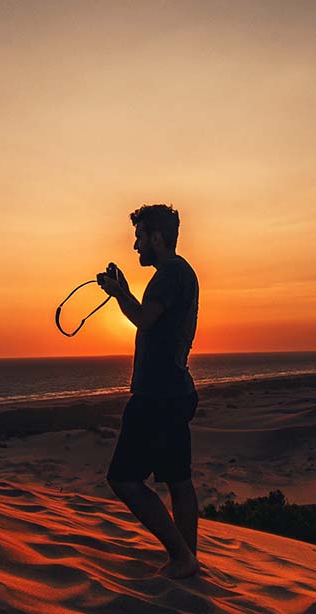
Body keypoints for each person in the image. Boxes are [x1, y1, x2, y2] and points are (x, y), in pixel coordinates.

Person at [97, 204, 201, 579]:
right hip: (176, 391)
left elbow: (143, 319)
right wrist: (123, 290)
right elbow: (154, 320)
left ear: (156, 237)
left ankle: (181, 557)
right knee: (178, 480)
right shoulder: (183, 272)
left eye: (140, 236)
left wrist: (118, 294)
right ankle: (188, 560)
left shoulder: (168, 275)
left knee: (123, 478)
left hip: (156, 396)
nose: (135, 245)